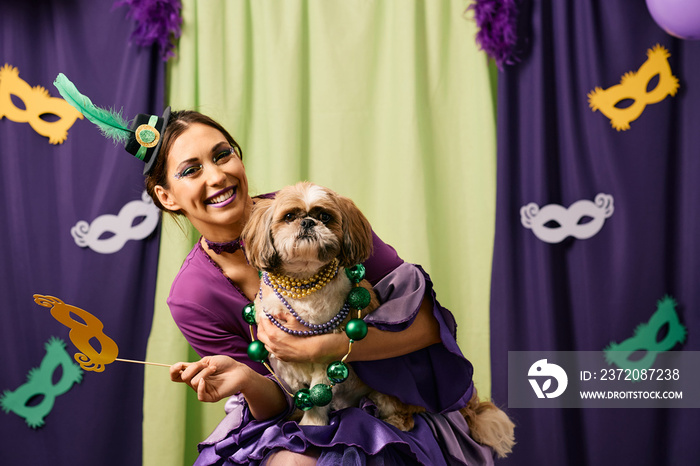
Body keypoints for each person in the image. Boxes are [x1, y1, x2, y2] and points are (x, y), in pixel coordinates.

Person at [52, 71, 501, 463]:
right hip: (297, 417)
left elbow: (425, 329)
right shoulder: (193, 295)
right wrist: (245, 378)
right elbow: (276, 405)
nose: (216, 175)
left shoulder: (322, 217)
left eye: (222, 154)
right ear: (166, 197)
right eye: (191, 170)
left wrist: (317, 348)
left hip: (389, 393)